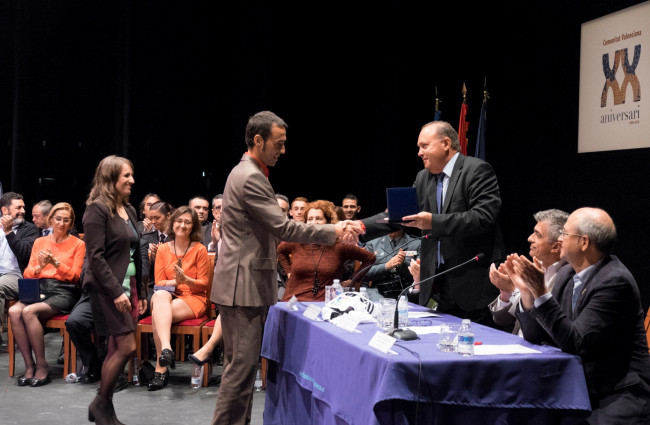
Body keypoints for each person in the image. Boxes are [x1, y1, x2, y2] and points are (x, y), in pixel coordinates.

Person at [210, 110, 362, 425]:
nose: (283, 150)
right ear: (257, 140)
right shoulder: (250, 176)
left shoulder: (252, 172)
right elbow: (286, 228)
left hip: (245, 284)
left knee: (240, 369)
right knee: (240, 371)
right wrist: (333, 230)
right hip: (243, 288)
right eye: (278, 143)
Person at [505, 207, 650, 424]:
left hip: (614, 395)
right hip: (576, 387)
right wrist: (528, 292)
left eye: (565, 234)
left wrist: (542, 293)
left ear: (584, 242)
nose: (560, 239)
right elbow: (538, 335)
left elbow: (575, 342)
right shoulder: (567, 273)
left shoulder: (615, 282)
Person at [362, 120, 505, 327]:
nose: (419, 152)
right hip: (437, 285)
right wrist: (362, 227)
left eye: (424, 146)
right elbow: (399, 216)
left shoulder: (477, 170)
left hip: (473, 283)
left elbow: (483, 217)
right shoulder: (423, 177)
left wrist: (432, 221)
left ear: (446, 143)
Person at [83, 155, 147, 425]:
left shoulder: (129, 210)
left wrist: (140, 292)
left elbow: (135, 254)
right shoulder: (97, 210)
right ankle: (100, 403)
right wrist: (115, 291)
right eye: (126, 176)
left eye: (132, 175)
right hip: (107, 289)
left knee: (115, 347)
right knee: (126, 347)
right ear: (110, 179)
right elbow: (95, 257)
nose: (132, 180)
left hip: (129, 287)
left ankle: (105, 411)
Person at [9, 202, 85, 387]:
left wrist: (56, 263)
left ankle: (42, 366)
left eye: (66, 220)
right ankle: (29, 366)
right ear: (50, 220)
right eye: (58, 219)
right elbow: (28, 273)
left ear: (71, 223)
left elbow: (76, 276)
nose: (61, 223)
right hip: (40, 288)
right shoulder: (40, 242)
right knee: (14, 312)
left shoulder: (78, 244)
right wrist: (41, 266)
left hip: (64, 291)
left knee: (28, 312)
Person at [147, 206, 209, 391]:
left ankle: (161, 368)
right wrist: (177, 281)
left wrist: (185, 280)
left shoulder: (200, 249)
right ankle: (167, 349)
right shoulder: (163, 249)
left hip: (194, 298)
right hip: (168, 296)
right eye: (179, 221)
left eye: (187, 222)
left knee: (158, 313)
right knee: (159, 295)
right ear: (172, 223)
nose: (182, 225)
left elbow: (203, 284)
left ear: (193, 227)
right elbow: (159, 281)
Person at [488, 209, 568, 335]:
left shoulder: (568, 277)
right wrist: (505, 294)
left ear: (556, 247)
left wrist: (517, 290)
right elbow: (501, 320)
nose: (530, 238)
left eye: (538, 234)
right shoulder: (531, 268)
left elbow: (542, 328)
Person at [277, 200, 375, 301]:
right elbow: (280, 250)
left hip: (325, 303)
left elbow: (370, 258)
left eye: (318, 218)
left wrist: (352, 280)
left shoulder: (339, 245)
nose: (314, 222)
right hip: (293, 302)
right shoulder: (296, 242)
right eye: (310, 219)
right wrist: (288, 272)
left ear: (328, 222)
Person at [0, 192, 40, 332]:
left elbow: (24, 254)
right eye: (18, 208)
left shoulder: (30, 229)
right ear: (4, 210)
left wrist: (9, 232)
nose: (23, 211)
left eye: (23, 207)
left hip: (18, 276)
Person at [363, 228, 421, 300]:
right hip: (378, 290)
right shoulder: (373, 243)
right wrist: (386, 266)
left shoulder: (416, 243)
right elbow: (363, 273)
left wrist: (403, 265)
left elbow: (420, 276)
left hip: (404, 291)